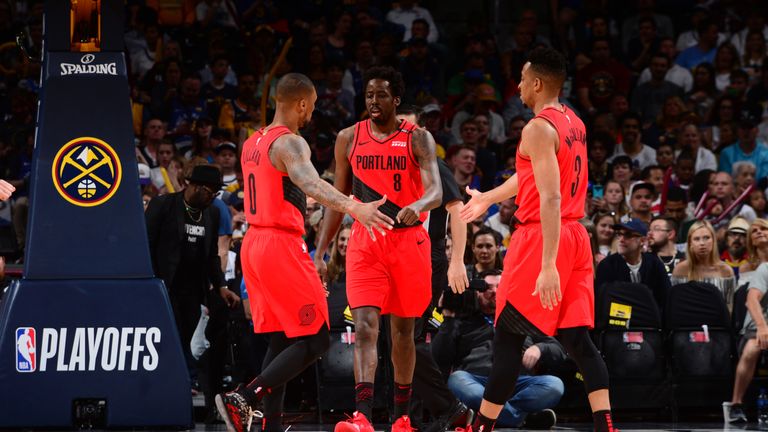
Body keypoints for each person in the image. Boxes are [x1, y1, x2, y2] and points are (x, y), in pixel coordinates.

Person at [214, 73, 395, 432]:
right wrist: (353, 206)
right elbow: (309, 182)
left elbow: (280, 187)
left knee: (282, 339)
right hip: (280, 244)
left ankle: (271, 424)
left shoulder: (253, 140)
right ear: (300, 104)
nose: (311, 114)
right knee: (315, 339)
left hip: (254, 241)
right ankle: (245, 397)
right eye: (311, 107)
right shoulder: (291, 143)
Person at [459, 47, 618, 432]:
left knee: (508, 339)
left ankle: (482, 427)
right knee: (578, 340)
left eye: (521, 79)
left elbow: (550, 196)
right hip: (577, 236)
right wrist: (487, 198)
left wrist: (548, 265)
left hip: (542, 237)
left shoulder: (537, 126)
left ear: (537, 83)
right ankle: (605, 425)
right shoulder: (573, 122)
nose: (517, 87)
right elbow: (531, 176)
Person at [313, 65, 443, 432]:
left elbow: (436, 190)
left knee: (402, 333)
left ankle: (402, 416)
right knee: (366, 327)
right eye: (369, 94)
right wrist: (321, 251)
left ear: (396, 100)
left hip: (409, 242)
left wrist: (417, 206)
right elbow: (337, 199)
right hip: (365, 243)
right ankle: (363, 417)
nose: (373, 100)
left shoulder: (418, 138)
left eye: (381, 94)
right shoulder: (348, 138)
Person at [144, 164, 242, 411]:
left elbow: (211, 256)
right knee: (165, 344)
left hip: (192, 291)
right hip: (163, 289)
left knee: (185, 344)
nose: (213, 197)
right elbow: (146, 246)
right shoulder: (163, 205)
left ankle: (176, 395)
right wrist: (150, 284)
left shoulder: (212, 214)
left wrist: (220, 286)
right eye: (211, 192)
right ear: (195, 187)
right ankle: (156, 396)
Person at [433, 269, 565, 429]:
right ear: (477, 293)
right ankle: (521, 418)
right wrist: (448, 318)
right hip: (476, 381)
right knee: (457, 380)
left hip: (516, 383)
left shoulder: (522, 317)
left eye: (499, 287)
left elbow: (558, 350)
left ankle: (487, 416)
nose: (494, 292)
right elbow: (439, 357)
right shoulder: (463, 319)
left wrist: (540, 348)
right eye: (487, 288)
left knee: (554, 385)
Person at [596, 219, 671, 312]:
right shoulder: (607, 265)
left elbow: (665, 298)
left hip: (649, 321)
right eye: (619, 234)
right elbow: (603, 302)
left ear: (642, 240)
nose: (621, 240)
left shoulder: (654, 263)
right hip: (617, 321)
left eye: (628, 235)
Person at [671, 220, 736, 308]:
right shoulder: (680, 270)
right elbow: (676, 305)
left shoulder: (725, 270)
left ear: (713, 241)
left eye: (706, 238)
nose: (702, 243)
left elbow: (729, 307)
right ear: (690, 243)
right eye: (696, 239)